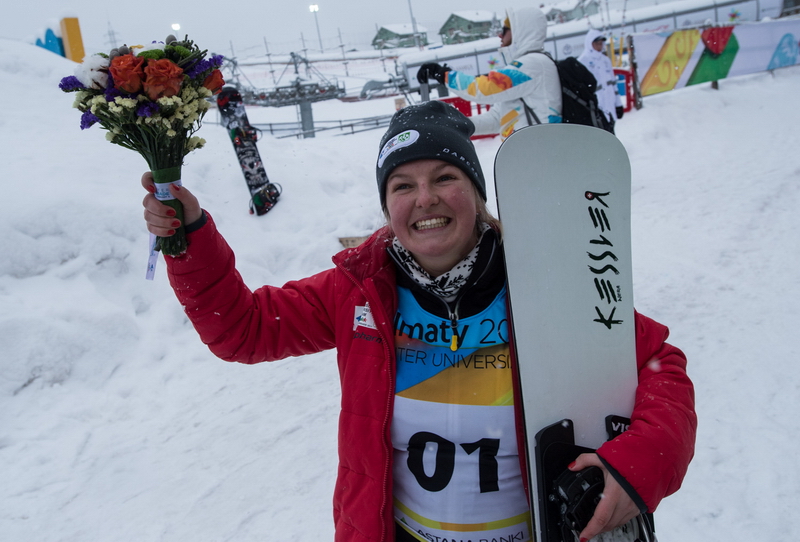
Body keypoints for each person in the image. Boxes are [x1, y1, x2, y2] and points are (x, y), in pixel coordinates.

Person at [141, 100, 696, 542]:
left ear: (476, 194)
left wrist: (636, 466)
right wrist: (190, 237)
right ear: (388, 207)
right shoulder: (358, 291)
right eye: (402, 185)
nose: (425, 198)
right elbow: (243, 329)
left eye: (445, 177)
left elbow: (657, 364)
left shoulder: (544, 280)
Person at [416, 6, 562, 139]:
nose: (500, 35)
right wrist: (452, 124)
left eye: (504, 30)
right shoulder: (529, 65)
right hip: (527, 152)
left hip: (543, 150)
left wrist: (443, 75)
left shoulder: (534, 63)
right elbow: (496, 119)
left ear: (520, 31)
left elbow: (484, 88)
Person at [578, 29, 625, 133]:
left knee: (611, 132)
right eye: (597, 43)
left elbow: (613, 83)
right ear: (590, 43)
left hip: (610, 104)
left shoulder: (605, 60)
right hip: (596, 107)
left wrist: (618, 104)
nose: (600, 46)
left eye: (601, 43)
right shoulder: (582, 61)